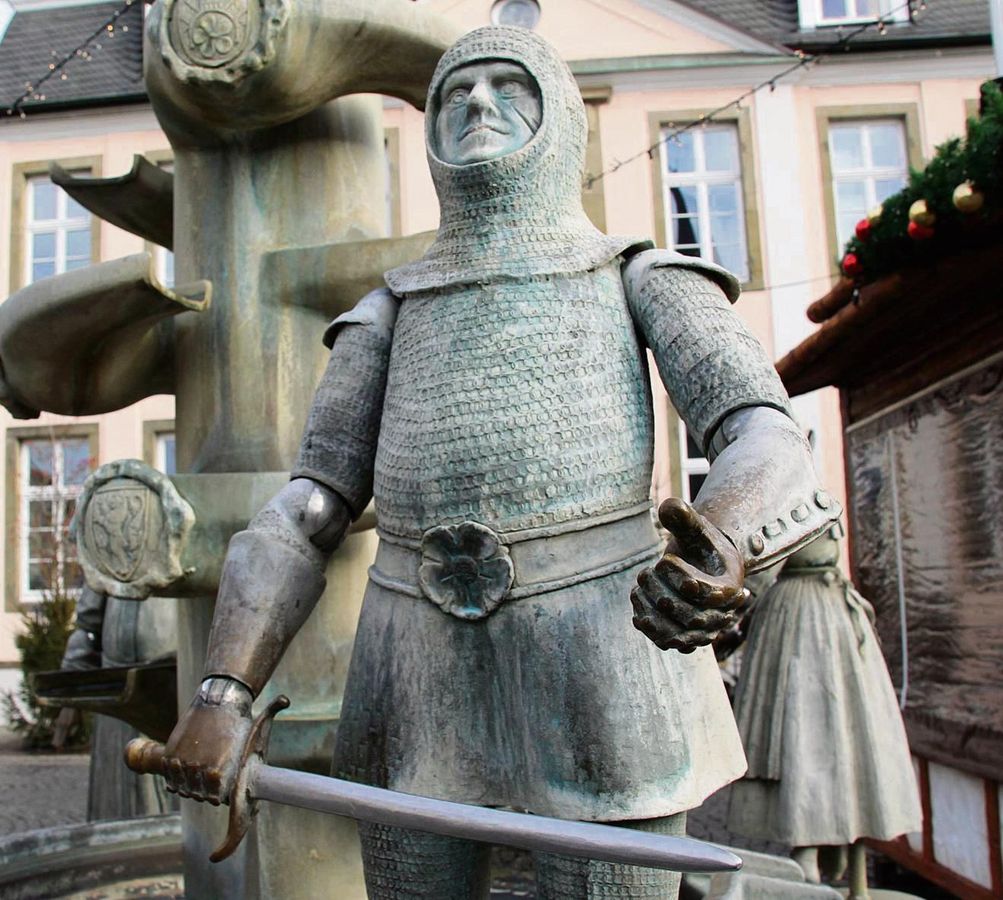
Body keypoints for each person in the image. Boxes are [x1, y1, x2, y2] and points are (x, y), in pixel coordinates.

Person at [161, 26, 839, 899]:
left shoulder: (633, 274)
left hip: (604, 652)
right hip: (413, 674)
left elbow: (764, 430)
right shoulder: (391, 311)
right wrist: (223, 693)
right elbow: (306, 511)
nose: (476, 103)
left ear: (558, 117)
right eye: (454, 91)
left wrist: (727, 537)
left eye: (506, 85)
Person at [727, 525, 922, 888]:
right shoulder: (815, 500)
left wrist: (733, 616)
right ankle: (832, 869)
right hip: (827, 614)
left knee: (812, 731)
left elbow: (762, 569)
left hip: (807, 616)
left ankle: (819, 862)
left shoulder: (794, 498)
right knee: (824, 732)